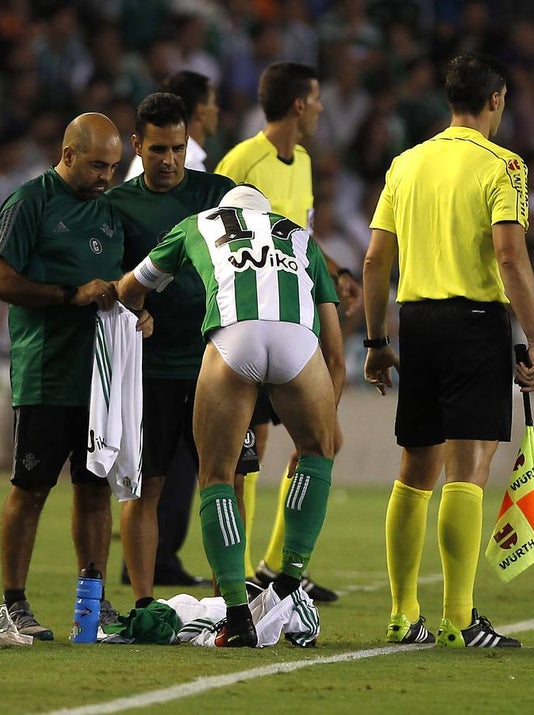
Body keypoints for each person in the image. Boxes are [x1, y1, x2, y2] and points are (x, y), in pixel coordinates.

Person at [363, 53, 534, 649]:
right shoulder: (505, 166)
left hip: (416, 322)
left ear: (450, 100)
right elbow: (510, 257)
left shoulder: (405, 164)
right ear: (495, 100)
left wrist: (374, 342)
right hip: (474, 322)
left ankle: (400, 613)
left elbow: (374, 261)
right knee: (467, 468)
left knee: (415, 471)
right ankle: (460, 619)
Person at [117, 184, 345, 647]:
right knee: (318, 453)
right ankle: (286, 585)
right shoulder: (300, 237)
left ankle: (237, 616)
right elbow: (337, 355)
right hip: (297, 342)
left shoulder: (196, 224)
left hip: (233, 337)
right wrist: (320, 429)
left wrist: (138, 309)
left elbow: (129, 288)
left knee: (217, 477)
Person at [0, 113, 146, 640]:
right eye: (97, 164)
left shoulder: (110, 213)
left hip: (100, 381)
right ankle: (13, 606)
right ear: (68, 153)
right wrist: (67, 296)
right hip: (46, 372)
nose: (105, 176)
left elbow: (122, 283)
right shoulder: (31, 201)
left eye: (114, 167)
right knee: (30, 488)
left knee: (95, 489)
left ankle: (91, 606)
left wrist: (137, 312)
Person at [215, 60, 356, 602]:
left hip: (295, 317)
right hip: (248, 320)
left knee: (319, 440)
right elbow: (215, 235)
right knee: (247, 448)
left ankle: (275, 565)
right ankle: (249, 569)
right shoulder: (241, 162)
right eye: (317, 99)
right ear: (299, 104)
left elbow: (300, 236)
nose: (321, 107)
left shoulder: (302, 162)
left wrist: (336, 273)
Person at [108, 92, 236, 605]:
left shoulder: (219, 194)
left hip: (217, 364)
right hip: (151, 369)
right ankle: (142, 602)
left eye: (178, 149)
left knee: (226, 483)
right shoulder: (117, 205)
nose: (169, 160)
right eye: (157, 149)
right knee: (147, 487)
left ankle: (233, 596)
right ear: (137, 145)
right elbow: (105, 281)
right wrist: (129, 309)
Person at [123, 70, 221, 180]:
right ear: (201, 111)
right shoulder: (189, 163)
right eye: (213, 103)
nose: (217, 110)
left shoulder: (143, 157)